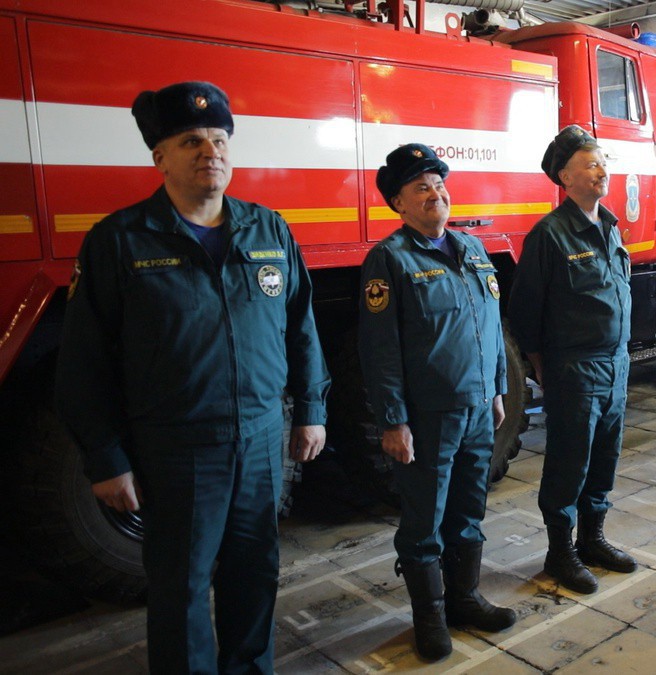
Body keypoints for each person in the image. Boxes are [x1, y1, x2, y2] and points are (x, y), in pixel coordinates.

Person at [54, 81, 330, 674]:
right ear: (159, 156)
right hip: (176, 448)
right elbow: (82, 363)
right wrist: (105, 458)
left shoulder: (268, 231)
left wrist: (311, 407)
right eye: (191, 141)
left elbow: (301, 327)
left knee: (254, 574)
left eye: (220, 138)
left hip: (259, 442)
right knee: (180, 589)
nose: (211, 151)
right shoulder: (119, 240)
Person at [358, 143, 516, 661]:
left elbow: (491, 327)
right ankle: (428, 614)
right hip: (428, 418)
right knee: (424, 521)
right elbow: (380, 351)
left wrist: (497, 388)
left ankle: (465, 599)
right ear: (398, 204)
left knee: (469, 511)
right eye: (421, 188)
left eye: (439, 184)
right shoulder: (390, 259)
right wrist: (393, 420)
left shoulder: (472, 248)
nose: (435, 194)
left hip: (476, 409)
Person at [509, 125, 637, 595]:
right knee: (569, 463)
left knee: (605, 457)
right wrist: (543, 363)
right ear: (565, 176)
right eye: (591, 163)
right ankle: (560, 552)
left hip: (615, 364)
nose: (602, 169)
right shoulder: (550, 234)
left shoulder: (609, 225)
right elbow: (525, 311)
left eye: (604, 160)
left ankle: (593, 540)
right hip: (574, 367)